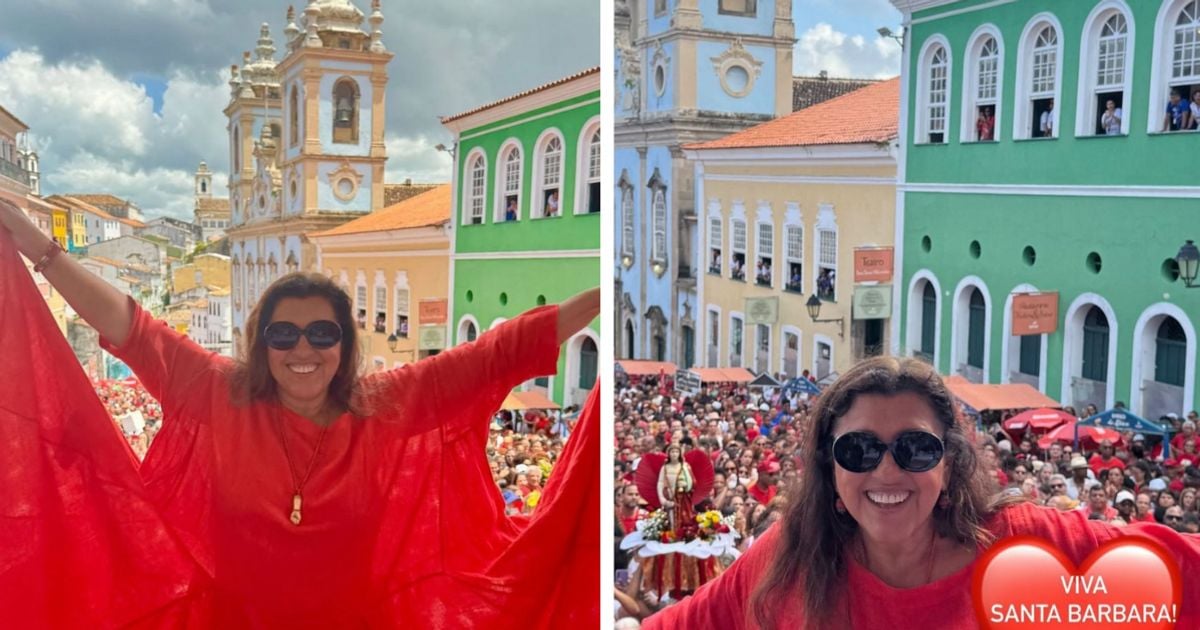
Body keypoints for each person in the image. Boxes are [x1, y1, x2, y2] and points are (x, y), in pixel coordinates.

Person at [0, 194, 602, 626]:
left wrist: (614, 287)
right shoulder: (217, 392)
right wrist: (35, 245)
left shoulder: (391, 404)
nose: (304, 350)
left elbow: (501, 348)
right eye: (283, 335)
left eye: (322, 333)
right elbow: (129, 325)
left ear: (345, 341)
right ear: (262, 344)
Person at [642, 356, 1200, 628]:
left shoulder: (1030, 545)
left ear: (949, 462)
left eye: (915, 448)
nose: (887, 472)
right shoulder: (791, 557)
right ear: (827, 467)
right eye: (858, 450)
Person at [658, 443, 695, 531]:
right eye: (672, 452)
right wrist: (663, 500)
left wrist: (686, 485)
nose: (674, 454)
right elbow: (660, 483)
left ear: (679, 454)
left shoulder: (684, 467)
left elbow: (693, 482)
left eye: (676, 452)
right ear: (668, 453)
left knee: (685, 521)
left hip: (683, 499)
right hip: (670, 499)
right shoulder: (665, 468)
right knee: (670, 522)